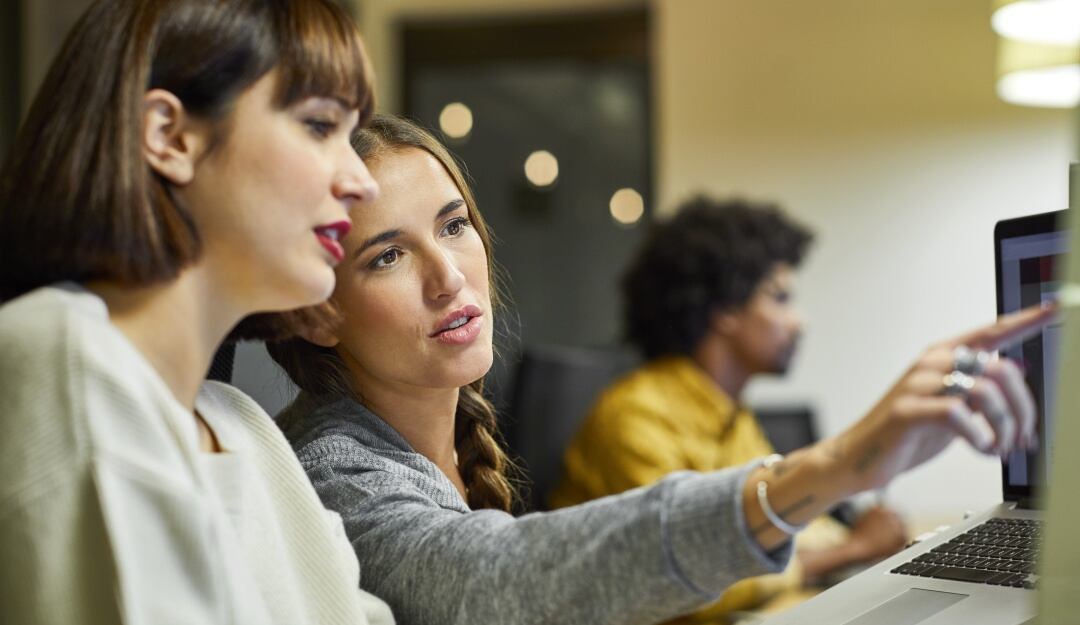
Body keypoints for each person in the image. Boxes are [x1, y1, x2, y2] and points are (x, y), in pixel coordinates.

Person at [268, 114, 1051, 625]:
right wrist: (839, 464)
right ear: (316, 306)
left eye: (455, 224)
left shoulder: (438, 443)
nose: (450, 276)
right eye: (389, 255)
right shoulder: (331, 470)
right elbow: (494, 579)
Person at [0, 1, 392, 623]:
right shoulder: (61, 354)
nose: (360, 180)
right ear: (170, 136)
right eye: (320, 126)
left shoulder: (244, 427)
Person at [549, 198, 906, 622]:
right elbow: (686, 578)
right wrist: (855, 549)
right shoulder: (633, 417)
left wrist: (874, 540)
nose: (799, 321)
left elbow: (789, 524)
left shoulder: (732, 416)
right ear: (725, 311)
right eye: (780, 298)